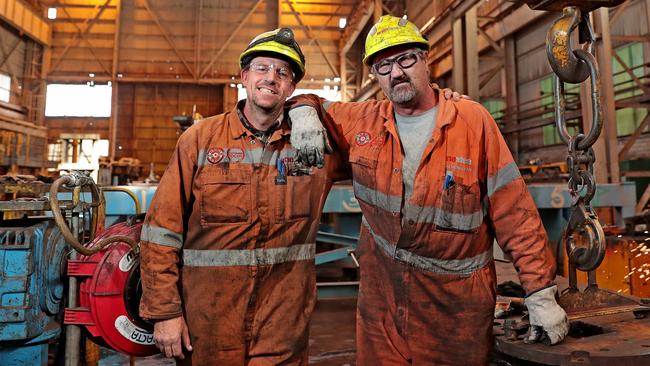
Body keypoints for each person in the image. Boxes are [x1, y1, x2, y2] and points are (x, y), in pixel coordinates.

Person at [289, 15, 569, 365]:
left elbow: (515, 213)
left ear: (425, 60)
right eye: (384, 65)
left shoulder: (472, 121)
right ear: (376, 76)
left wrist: (540, 292)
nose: (396, 72)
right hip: (383, 305)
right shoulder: (363, 120)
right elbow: (306, 100)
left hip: (454, 310)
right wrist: (302, 114)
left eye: (406, 59)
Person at [137, 28, 349, 365]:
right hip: (208, 322)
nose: (271, 78)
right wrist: (165, 312)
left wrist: (312, 106)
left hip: (283, 324)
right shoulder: (199, 140)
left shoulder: (313, 146)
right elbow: (161, 231)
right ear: (244, 76)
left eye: (283, 73)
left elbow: (373, 139)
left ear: (291, 87)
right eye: (262, 68)